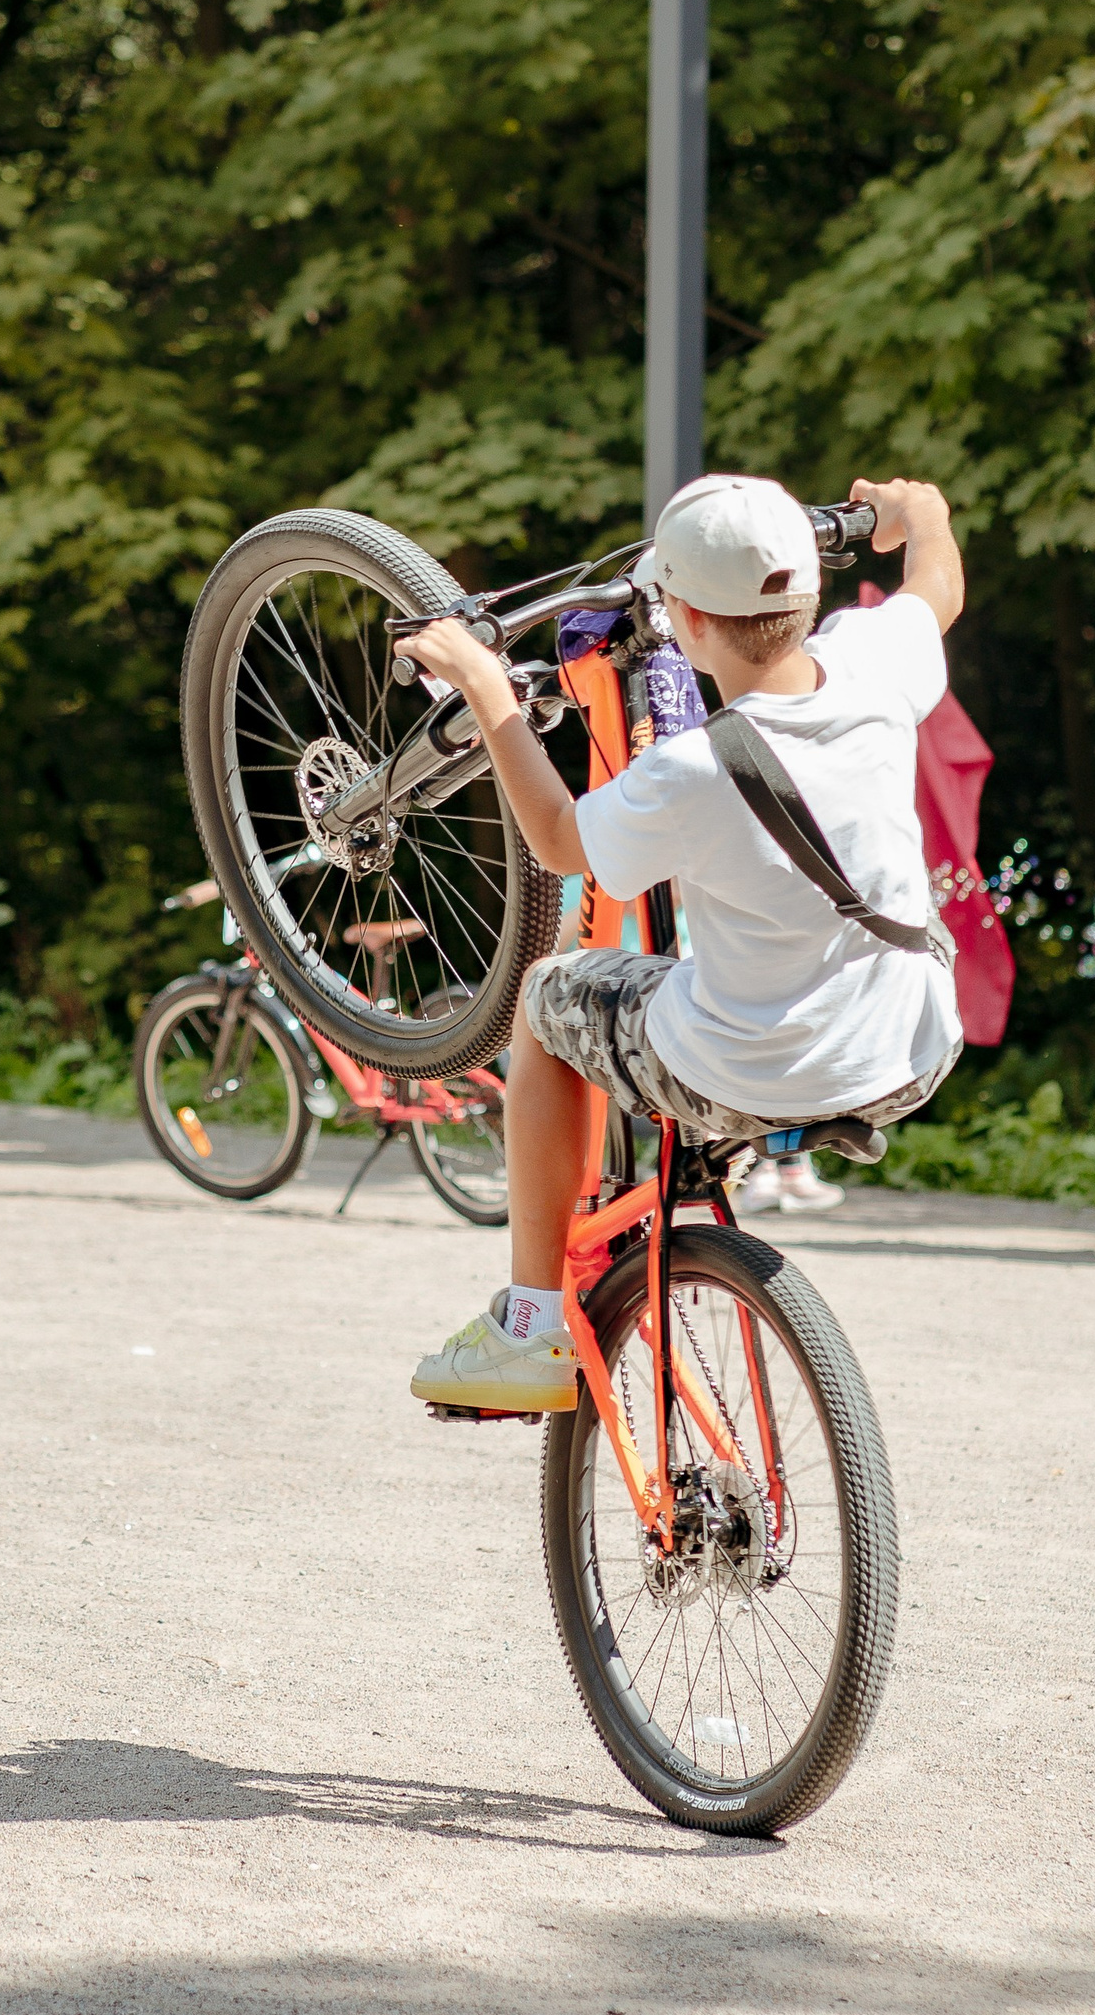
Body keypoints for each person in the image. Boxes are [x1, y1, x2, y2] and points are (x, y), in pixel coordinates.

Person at [404, 472, 965, 1411]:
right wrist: (923, 516)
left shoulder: (691, 770)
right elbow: (934, 588)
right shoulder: (877, 667)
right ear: (809, 599)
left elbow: (556, 839)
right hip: (906, 1052)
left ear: (684, 621)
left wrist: (489, 692)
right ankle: (721, 1162)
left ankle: (532, 1323)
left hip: (748, 1068)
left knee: (547, 995)